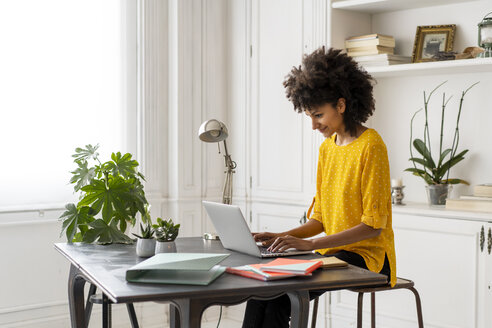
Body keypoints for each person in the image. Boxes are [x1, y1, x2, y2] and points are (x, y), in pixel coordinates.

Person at [241, 47, 396, 328]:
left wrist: (310, 245)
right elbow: (321, 218)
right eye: (309, 116)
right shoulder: (328, 149)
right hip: (332, 254)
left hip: (368, 258)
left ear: (341, 104)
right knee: (260, 291)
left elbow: (373, 226)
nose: (313, 125)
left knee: (280, 297)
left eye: (318, 115)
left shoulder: (372, 146)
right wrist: (280, 236)